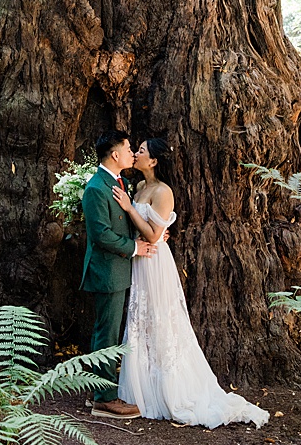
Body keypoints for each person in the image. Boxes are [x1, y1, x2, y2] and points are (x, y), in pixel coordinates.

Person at [115, 137, 270, 427]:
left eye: (142, 151)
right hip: (140, 259)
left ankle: (169, 390)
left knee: (160, 319)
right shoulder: (138, 187)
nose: (136, 153)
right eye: (136, 150)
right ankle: (141, 388)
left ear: (155, 161)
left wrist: (130, 209)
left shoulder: (163, 192)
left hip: (155, 262)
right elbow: (147, 231)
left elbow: (152, 235)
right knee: (141, 320)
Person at [79, 131, 149, 419]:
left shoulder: (119, 182)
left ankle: (100, 388)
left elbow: (122, 223)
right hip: (107, 270)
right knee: (106, 332)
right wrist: (135, 248)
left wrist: (151, 235)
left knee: (108, 330)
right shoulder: (97, 188)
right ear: (115, 154)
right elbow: (101, 234)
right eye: (129, 148)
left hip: (118, 269)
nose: (132, 152)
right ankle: (104, 399)